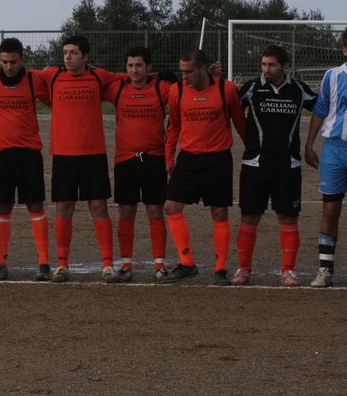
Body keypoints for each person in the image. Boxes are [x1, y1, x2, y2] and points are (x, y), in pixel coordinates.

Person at [30, 35, 125, 283]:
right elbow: (26, 76)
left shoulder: (99, 76)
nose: (68, 57)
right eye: (65, 52)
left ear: (86, 56)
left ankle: (107, 265)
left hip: (94, 154)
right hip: (63, 154)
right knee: (64, 208)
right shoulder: (52, 76)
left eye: (73, 53)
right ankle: (62, 265)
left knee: (99, 207)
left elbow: (130, 78)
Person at [231, 45, 316, 287]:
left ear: (285, 66)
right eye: (264, 64)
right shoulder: (252, 88)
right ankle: (244, 269)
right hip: (254, 165)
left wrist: (310, 144)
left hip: (288, 166)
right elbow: (229, 106)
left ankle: (288, 271)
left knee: (288, 218)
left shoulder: (298, 89)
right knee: (249, 217)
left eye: (271, 65)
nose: (266, 69)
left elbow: (322, 109)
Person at [162, 49, 246, 285]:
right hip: (189, 158)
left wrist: (252, 150)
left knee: (219, 212)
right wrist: (169, 156)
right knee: (171, 206)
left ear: (202, 69)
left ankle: (220, 269)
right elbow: (174, 126)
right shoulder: (176, 91)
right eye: (182, 71)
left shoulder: (226, 89)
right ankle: (186, 263)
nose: (184, 76)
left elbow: (240, 121)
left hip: (218, 159)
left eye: (189, 71)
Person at [0, 38, 52, 282]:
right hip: (2, 155)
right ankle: (1, 263)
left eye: (13, 62)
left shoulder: (33, 80)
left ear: (22, 60)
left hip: (29, 153)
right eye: (4, 62)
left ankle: (44, 263)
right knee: (3, 207)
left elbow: (55, 99)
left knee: (35, 206)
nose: (8, 66)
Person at [103, 46, 172, 283]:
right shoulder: (118, 88)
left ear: (148, 67)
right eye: (130, 65)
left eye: (139, 65)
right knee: (126, 211)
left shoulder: (161, 88)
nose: (134, 70)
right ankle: (126, 265)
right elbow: (99, 79)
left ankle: (159, 265)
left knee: (155, 210)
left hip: (154, 158)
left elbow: (185, 87)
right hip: (125, 159)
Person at [304, 28, 347, 288]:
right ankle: (325, 269)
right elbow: (320, 110)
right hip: (334, 149)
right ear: (344, 49)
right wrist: (309, 144)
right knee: (330, 209)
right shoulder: (332, 76)